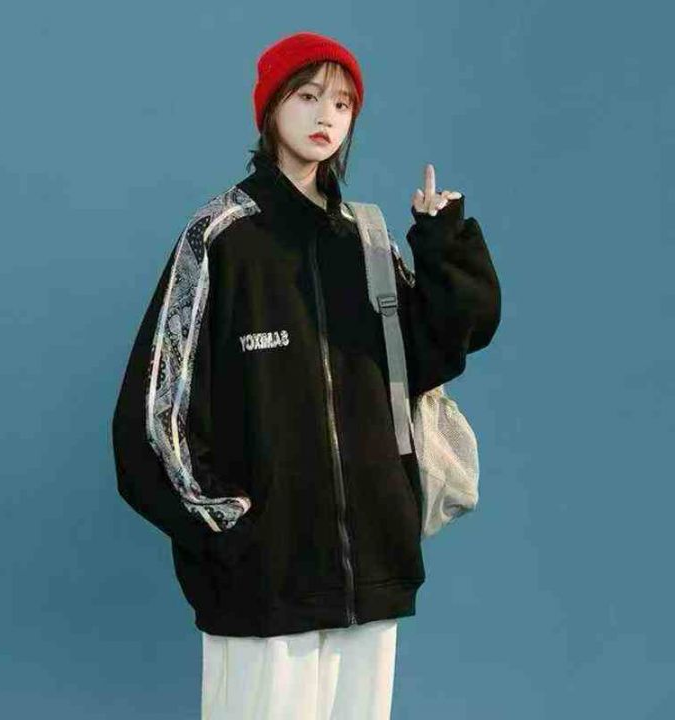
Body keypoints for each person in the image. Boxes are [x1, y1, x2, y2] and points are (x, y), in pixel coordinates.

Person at [111, 30, 501, 720]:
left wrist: (442, 242)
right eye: (309, 96)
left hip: (372, 568)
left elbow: (441, 349)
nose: (327, 116)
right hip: (266, 575)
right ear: (271, 108)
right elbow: (154, 412)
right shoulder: (220, 237)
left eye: (343, 104)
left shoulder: (368, 241)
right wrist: (231, 528)